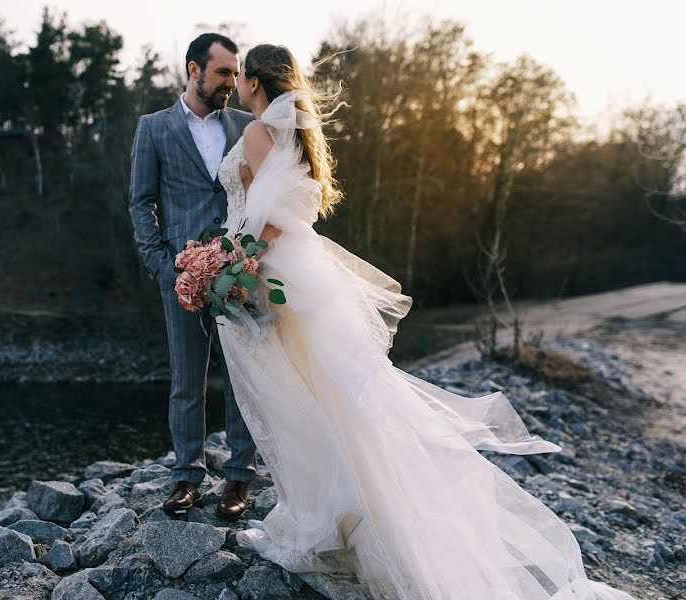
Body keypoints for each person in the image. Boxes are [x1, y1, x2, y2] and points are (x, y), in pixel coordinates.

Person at [212, 43, 639, 600]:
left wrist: (236, 258)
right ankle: (333, 516)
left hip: (273, 272)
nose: (237, 83)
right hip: (295, 270)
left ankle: (323, 522)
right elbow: (296, 205)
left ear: (254, 81)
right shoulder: (291, 132)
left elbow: (272, 214)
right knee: (327, 397)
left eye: (241, 75)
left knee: (298, 399)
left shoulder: (256, 132)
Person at [128, 33, 258, 519]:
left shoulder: (247, 125)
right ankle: (186, 476)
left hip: (238, 273)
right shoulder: (154, 127)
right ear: (193, 69)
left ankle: (239, 480)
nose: (232, 81)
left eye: (235, 71)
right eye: (224, 71)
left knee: (242, 379)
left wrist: (248, 256)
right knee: (187, 381)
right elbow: (141, 201)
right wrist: (161, 266)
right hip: (180, 276)